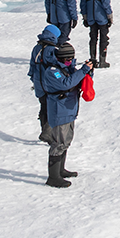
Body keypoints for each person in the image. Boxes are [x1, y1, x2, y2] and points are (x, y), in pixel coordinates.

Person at [41, 39, 93, 188]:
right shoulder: (52, 71)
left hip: (69, 110)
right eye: (67, 59)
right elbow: (67, 84)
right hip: (59, 111)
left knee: (66, 141)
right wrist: (83, 70)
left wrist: (89, 72)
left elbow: (78, 81)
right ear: (61, 58)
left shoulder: (67, 68)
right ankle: (53, 177)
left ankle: (60, 170)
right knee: (59, 143)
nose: (70, 61)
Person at [29, 23, 62, 140]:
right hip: (49, 84)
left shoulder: (36, 48)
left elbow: (32, 66)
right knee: (51, 107)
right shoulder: (51, 50)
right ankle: (47, 132)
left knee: (43, 106)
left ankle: (44, 129)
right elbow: (56, 66)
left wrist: (33, 79)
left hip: (38, 83)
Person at [79, 0, 113, 68]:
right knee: (103, 38)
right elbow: (106, 4)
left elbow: (83, 5)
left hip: (91, 19)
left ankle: (93, 59)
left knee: (93, 39)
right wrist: (109, 17)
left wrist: (85, 17)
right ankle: (102, 60)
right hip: (102, 18)